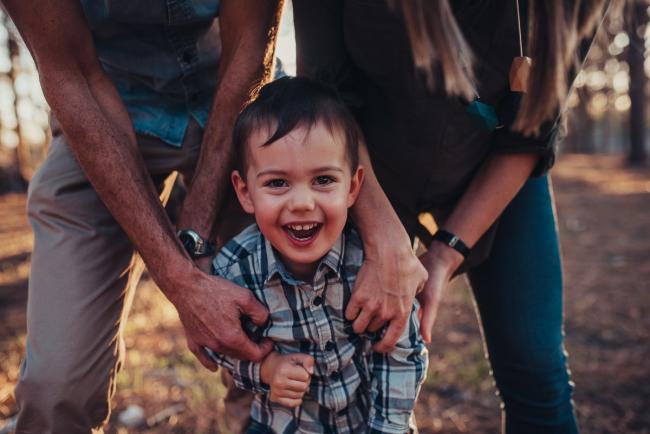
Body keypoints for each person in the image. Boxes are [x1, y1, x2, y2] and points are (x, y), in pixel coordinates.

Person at [293, 1, 610, 433]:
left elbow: (530, 131)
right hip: (358, 166)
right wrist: (382, 239)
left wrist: (445, 254)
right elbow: (323, 94)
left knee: (536, 365)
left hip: (497, 164)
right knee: (344, 366)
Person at [2, 1, 287, 432]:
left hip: (238, 98)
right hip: (99, 113)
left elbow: (249, 53)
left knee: (286, 340)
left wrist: (193, 233)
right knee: (56, 389)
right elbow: (72, 73)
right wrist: (179, 277)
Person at [204, 76, 428, 434]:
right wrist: (266, 369)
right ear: (245, 193)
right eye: (277, 183)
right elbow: (217, 341)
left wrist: (388, 428)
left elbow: (403, 352)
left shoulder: (371, 265)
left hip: (370, 424)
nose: (303, 203)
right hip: (282, 426)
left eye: (323, 180)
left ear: (353, 187)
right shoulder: (234, 269)